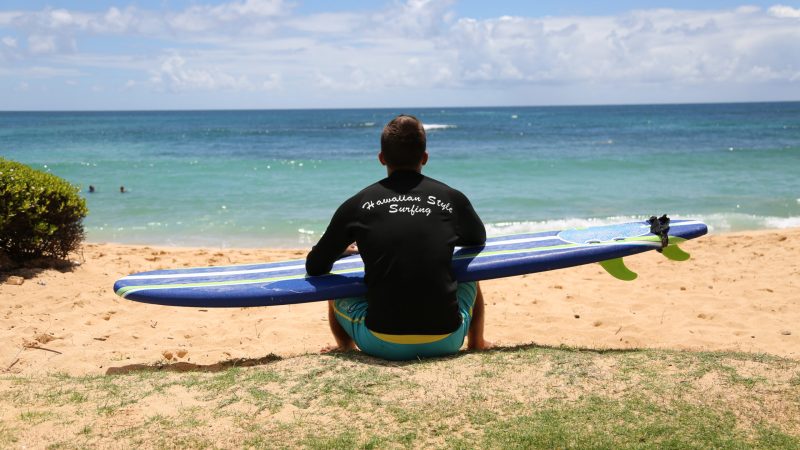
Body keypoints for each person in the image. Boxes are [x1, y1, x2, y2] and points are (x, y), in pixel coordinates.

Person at [306, 114, 491, 361]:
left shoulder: (357, 204)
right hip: (448, 338)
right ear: (424, 158)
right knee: (471, 276)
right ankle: (476, 342)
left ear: (381, 159)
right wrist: (436, 236)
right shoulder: (451, 198)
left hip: (380, 341)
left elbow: (315, 266)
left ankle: (346, 346)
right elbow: (477, 238)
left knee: (335, 289)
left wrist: (344, 248)